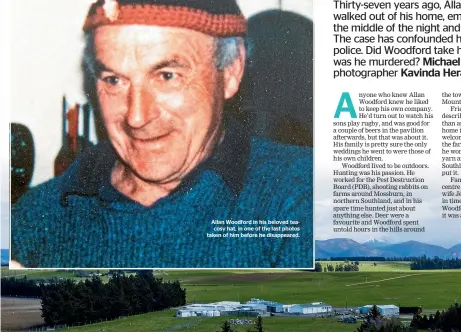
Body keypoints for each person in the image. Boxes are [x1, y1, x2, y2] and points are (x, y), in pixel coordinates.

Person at [11, 0, 313, 268]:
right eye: (114, 80)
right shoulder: (36, 216)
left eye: (167, 76)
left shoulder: (299, 195)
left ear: (230, 71)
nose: (137, 116)